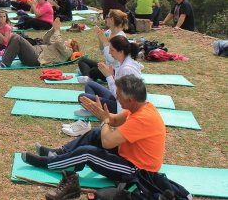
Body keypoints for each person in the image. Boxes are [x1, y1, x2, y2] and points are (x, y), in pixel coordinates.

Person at [20, 76, 166, 200]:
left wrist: (104, 120)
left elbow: (107, 142)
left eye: (119, 94)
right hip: (129, 158)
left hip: (138, 172)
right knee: (95, 133)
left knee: (88, 152)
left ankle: (47, 163)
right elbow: (114, 120)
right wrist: (101, 113)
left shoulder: (143, 118)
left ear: (130, 99)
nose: (116, 97)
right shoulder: (141, 107)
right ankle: (58, 153)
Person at [77, 35, 142, 115]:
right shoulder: (124, 63)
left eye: (112, 50)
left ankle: (95, 109)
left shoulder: (126, 69)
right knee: (90, 84)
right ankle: (93, 108)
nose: (109, 52)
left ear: (121, 51)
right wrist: (112, 76)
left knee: (82, 97)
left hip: (122, 108)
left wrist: (109, 76)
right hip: (119, 100)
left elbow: (119, 95)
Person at [0, 18, 78, 67]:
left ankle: (5, 63)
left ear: (71, 46)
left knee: (17, 37)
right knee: (15, 36)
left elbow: (58, 42)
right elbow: (45, 39)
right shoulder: (59, 47)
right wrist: (53, 29)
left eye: (68, 41)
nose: (66, 40)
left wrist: (57, 30)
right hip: (33, 53)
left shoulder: (67, 52)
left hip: (36, 58)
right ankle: (4, 60)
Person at [78, 9, 128, 82]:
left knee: (95, 71)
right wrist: (100, 38)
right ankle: (88, 76)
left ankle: (88, 77)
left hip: (115, 70)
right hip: (108, 65)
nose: (106, 18)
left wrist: (105, 42)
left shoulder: (120, 37)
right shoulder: (109, 32)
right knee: (82, 60)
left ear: (112, 19)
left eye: (107, 16)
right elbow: (102, 51)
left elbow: (111, 59)